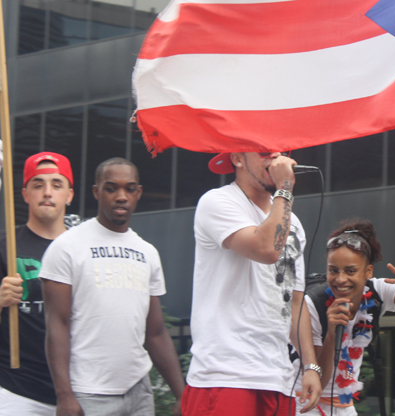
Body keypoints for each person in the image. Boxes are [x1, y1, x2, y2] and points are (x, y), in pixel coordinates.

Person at [40, 157, 185, 416]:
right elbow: (56, 325)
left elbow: (156, 332)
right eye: (111, 188)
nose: (121, 196)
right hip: (88, 393)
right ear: (97, 191)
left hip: (139, 391)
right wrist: (65, 396)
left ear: (138, 193)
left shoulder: (147, 252)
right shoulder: (67, 246)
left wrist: (182, 395)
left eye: (129, 189)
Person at [182, 151, 322, 416]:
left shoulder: (293, 222)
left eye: (281, 152)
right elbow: (266, 248)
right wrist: (285, 187)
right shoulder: (217, 202)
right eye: (263, 152)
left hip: (279, 377)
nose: (275, 158)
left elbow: (294, 302)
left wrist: (310, 366)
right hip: (225, 377)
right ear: (237, 159)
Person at [295, 219, 395, 415]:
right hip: (305, 402)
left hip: (344, 404)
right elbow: (317, 380)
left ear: (368, 272)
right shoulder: (312, 304)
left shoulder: (377, 291)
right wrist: (331, 334)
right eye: (333, 270)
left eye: (350, 271)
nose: (340, 279)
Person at [0, 152, 74, 415]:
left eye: (56, 184)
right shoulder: (5, 246)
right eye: (38, 184)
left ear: (69, 195)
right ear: (25, 194)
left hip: (79, 389)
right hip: (18, 390)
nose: (47, 192)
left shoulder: (83, 248)